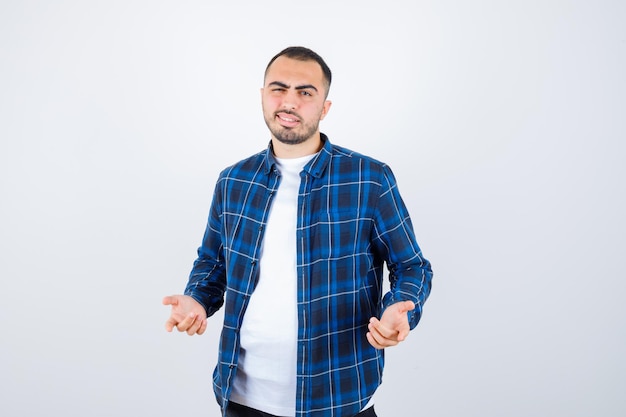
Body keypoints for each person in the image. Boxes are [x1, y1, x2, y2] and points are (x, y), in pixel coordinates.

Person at [163, 46, 433, 417]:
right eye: (279, 89)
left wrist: (401, 310)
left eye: (305, 93)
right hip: (242, 398)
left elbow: (412, 267)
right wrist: (197, 299)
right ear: (262, 96)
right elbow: (213, 263)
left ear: (324, 107)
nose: (289, 102)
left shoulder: (369, 179)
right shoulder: (233, 181)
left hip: (339, 396)